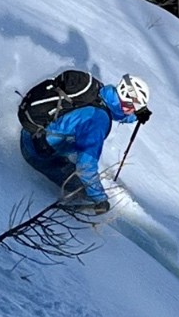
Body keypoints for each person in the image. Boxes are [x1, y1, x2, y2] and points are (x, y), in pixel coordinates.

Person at [19, 72, 151, 214]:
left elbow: (116, 111)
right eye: (134, 107)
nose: (134, 111)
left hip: (32, 132)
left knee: (77, 152)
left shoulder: (100, 92)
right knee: (83, 190)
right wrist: (100, 199)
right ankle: (62, 210)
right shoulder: (98, 121)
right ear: (127, 104)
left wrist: (136, 116)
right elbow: (85, 166)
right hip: (37, 152)